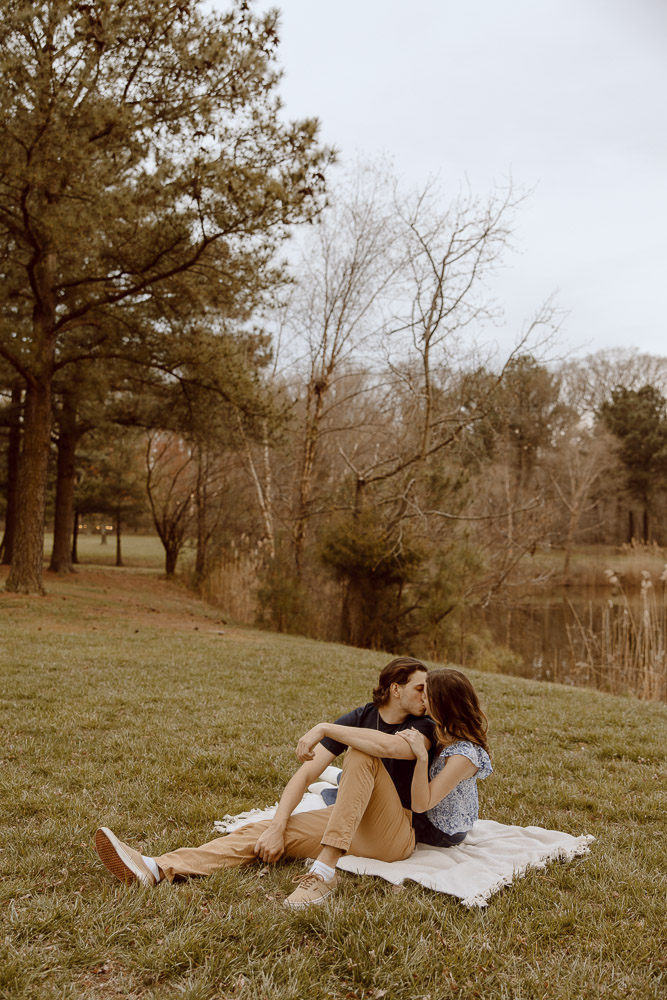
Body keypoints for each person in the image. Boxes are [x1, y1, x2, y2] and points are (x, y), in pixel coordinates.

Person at [95, 656, 435, 908]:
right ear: (395, 688)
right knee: (262, 830)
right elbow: (305, 774)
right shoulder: (361, 717)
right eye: (420, 688)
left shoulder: (424, 726)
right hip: (350, 825)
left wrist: (325, 728)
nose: (426, 697)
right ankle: (157, 867)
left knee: (362, 754)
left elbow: (387, 747)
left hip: (394, 834)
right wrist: (277, 825)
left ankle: (323, 875)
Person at [398, 667, 492, 848]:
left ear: (441, 703)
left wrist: (422, 757)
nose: (422, 698)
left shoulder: (463, 756)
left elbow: (420, 805)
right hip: (429, 816)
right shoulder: (445, 732)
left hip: (440, 832)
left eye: (425, 694)